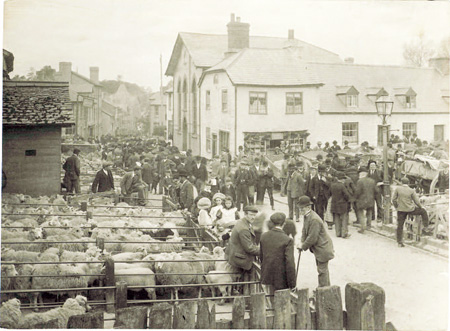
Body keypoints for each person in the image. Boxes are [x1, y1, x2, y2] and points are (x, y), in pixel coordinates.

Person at [296, 196, 334, 287]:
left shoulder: (314, 219)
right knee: (322, 270)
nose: (300, 211)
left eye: (302, 208)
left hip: (323, 248)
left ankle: (323, 290)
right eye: (299, 208)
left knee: (322, 271)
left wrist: (303, 246)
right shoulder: (307, 216)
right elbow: (304, 231)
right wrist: (301, 242)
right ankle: (324, 288)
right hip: (319, 248)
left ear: (308, 207)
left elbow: (312, 238)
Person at [260, 212, 296, 307]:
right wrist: (292, 283)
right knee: (282, 305)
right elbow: (290, 263)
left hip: (267, 275)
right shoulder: (287, 240)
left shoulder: (264, 236)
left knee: (270, 302)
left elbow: (261, 257)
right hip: (281, 278)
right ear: (284, 224)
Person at [392, 177, 431, 247]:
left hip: (400, 210)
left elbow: (393, 199)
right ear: (408, 183)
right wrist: (421, 207)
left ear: (401, 182)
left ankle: (399, 242)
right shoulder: (411, 190)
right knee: (423, 211)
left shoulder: (398, 189)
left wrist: (397, 207)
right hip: (410, 209)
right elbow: (417, 201)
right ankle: (426, 227)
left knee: (400, 225)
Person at [227, 205, 260, 281]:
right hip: (240, 260)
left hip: (236, 256)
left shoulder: (242, 222)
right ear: (245, 214)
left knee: (237, 282)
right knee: (240, 281)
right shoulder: (244, 229)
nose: (253, 217)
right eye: (251, 215)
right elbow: (249, 248)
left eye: (254, 215)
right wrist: (264, 250)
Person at [354, 167, 378, 233]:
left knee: (360, 213)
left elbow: (358, 192)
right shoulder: (372, 181)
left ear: (361, 174)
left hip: (361, 200)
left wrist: (355, 198)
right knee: (369, 212)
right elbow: (376, 190)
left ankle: (362, 227)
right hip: (370, 199)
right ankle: (369, 225)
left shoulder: (359, 181)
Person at [330, 172, 351, 238]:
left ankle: (338, 233)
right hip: (342, 205)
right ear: (342, 179)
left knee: (336, 219)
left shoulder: (332, 185)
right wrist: (347, 200)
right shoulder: (342, 186)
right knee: (344, 219)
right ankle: (344, 233)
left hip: (334, 204)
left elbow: (329, 193)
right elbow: (347, 195)